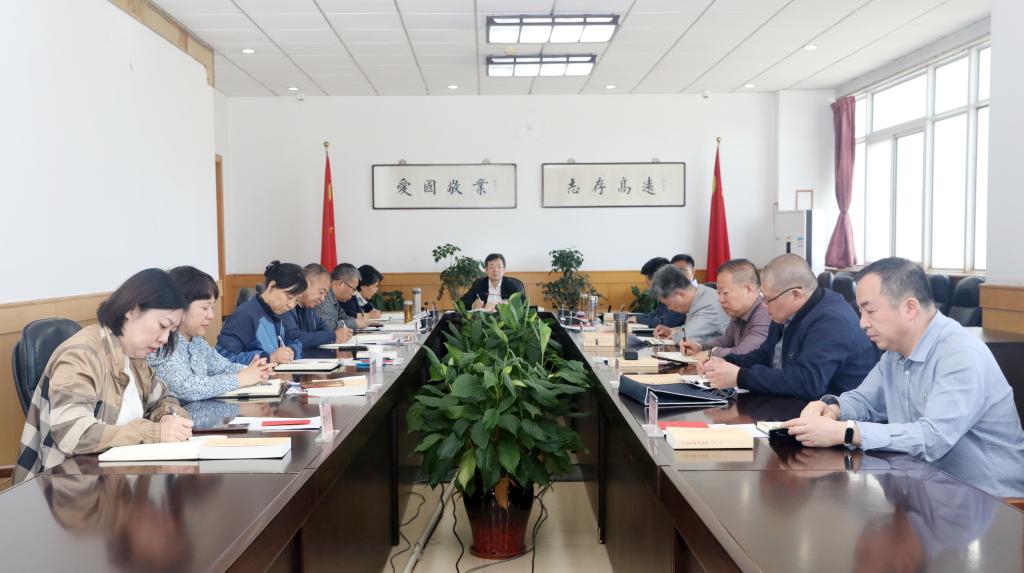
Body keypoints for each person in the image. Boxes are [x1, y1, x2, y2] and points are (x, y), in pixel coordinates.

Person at [783, 257, 1024, 498]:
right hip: (926, 489)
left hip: (990, 503)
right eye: (861, 312)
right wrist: (832, 409)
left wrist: (846, 431)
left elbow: (933, 439)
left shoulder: (961, 354)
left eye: (870, 311)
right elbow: (865, 401)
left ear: (909, 308)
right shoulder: (895, 352)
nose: (862, 323)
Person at [13, 268, 194, 483]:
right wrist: (154, 433)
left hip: (117, 483)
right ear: (132, 310)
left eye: (171, 331)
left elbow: (164, 398)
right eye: (162, 325)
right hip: (67, 489)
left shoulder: (133, 357)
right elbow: (73, 434)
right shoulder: (81, 355)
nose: (164, 339)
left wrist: (166, 417)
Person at [699, 254, 878, 400]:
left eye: (768, 299)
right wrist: (727, 362)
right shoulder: (785, 313)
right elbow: (764, 356)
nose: (763, 305)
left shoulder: (832, 321)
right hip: (795, 407)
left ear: (796, 295)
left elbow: (808, 382)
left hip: (837, 419)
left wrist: (740, 376)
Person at [148, 266, 274, 403]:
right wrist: (240, 379)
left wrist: (255, 370)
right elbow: (187, 388)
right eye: (205, 308)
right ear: (180, 306)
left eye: (212, 307)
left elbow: (223, 367)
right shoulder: (162, 342)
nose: (211, 315)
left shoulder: (197, 341)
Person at [217, 261, 304, 365]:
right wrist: (268, 358)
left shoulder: (283, 312)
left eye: (296, 300)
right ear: (272, 286)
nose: (291, 305)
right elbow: (222, 358)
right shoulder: (244, 315)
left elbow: (295, 340)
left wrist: (292, 351)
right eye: (289, 297)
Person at [681, 259, 770, 358]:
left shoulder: (765, 313)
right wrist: (700, 347)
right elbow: (726, 341)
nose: (720, 300)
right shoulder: (739, 312)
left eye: (725, 293)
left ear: (748, 289)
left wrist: (711, 353)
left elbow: (744, 353)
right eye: (719, 293)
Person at [648, 264, 729, 346]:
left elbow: (686, 338)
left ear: (679, 294)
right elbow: (694, 328)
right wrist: (672, 330)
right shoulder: (699, 296)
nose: (669, 308)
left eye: (668, 304)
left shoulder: (708, 305)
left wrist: (675, 334)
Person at [284, 263, 352, 350]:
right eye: (321, 292)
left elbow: (326, 330)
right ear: (306, 283)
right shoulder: (286, 305)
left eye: (325, 295)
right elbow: (294, 338)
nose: (322, 299)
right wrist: (333, 336)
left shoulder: (310, 309)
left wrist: (329, 336)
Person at [631, 257, 685, 328]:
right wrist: (634, 317)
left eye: (648, 279)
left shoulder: (677, 294)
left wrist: (638, 319)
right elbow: (657, 314)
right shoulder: (667, 292)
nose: (648, 285)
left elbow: (665, 322)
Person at [459, 253, 525, 310]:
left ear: (504, 270)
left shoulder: (512, 285)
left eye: (499, 267)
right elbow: (461, 302)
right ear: (486, 270)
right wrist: (472, 305)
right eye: (491, 267)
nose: (495, 270)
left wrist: (499, 306)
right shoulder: (479, 284)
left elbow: (522, 303)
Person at [315, 263, 367, 329]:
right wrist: (355, 323)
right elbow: (326, 325)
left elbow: (344, 318)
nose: (354, 293)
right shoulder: (323, 297)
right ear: (340, 284)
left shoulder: (335, 299)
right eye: (353, 288)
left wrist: (356, 322)